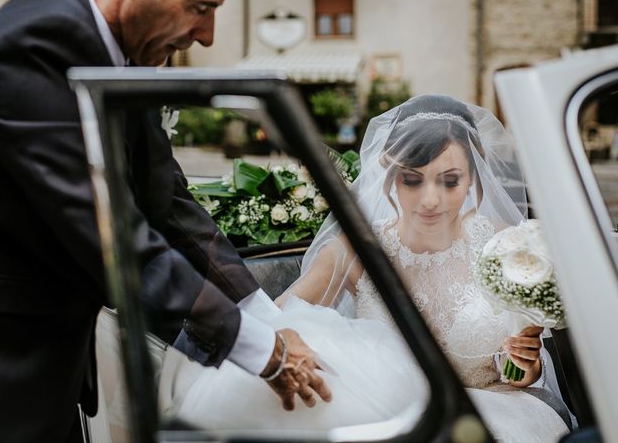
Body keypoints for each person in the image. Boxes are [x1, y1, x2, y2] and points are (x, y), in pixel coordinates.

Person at [0, 0, 330, 442]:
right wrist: (262, 349)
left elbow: (168, 202)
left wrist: (266, 314)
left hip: (51, 368)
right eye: (200, 8)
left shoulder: (122, 53)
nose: (207, 36)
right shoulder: (27, 49)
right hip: (0, 366)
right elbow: (114, 236)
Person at [155, 95, 572, 442]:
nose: (430, 200)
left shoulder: (505, 247)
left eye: (449, 181)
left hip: (498, 414)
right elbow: (278, 321)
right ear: (388, 170)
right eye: (412, 180)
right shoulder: (354, 251)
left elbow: (525, 370)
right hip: (397, 418)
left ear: (474, 172)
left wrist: (524, 364)